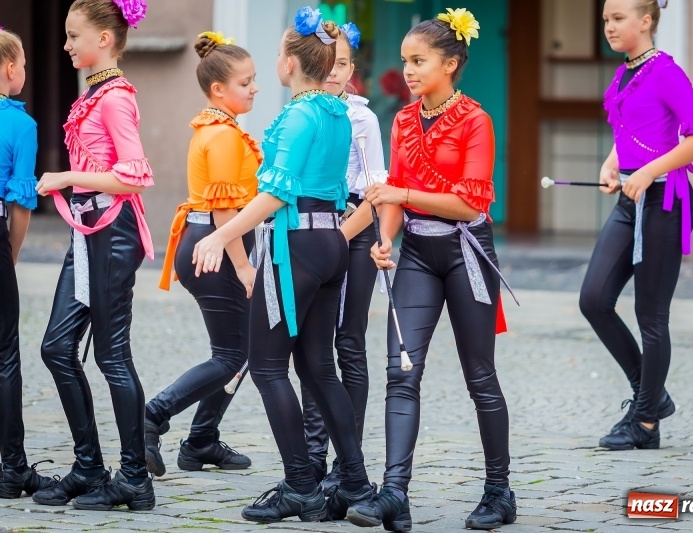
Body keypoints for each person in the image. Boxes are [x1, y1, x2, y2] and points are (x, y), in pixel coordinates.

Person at [191, 6, 373, 524]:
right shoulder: (337, 112)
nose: (275, 61)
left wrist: (222, 234)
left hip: (294, 244)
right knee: (319, 367)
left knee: (269, 366)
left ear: (290, 63)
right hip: (331, 242)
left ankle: (301, 486)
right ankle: (354, 482)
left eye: (277, 53)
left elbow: (276, 193)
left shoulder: (299, 115)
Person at [346, 8, 518, 531]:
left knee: (480, 376)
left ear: (450, 63)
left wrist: (399, 194)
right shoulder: (402, 120)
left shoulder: (476, 121)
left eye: (419, 61)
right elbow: (394, 197)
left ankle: (499, 492)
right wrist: (385, 237)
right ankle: (394, 493)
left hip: (466, 253)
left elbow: (469, 204)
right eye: (406, 61)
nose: (409, 70)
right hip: (418, 253)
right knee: (401, 372)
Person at [32, 0, 156, 511]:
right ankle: (88, 467)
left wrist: (66, 176)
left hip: (113, 232)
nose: (65, 45)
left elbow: (136, 174)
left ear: (104, 39)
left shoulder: (115, 98)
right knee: (57, 348)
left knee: (111, 355)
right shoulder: (95, 92)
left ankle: (134, 478)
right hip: (88, 230)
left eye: (73, 35)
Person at [580, 0, 693, 451]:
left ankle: (644, 423)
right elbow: (631, 131)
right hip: (630, 199)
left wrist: (647, 171)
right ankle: (652, 395)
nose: (609, 27)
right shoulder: (626, 72)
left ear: (646, 21)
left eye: (618, 18)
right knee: (594, 299)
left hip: (665, 201)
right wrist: (612, 164)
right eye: (606, 19)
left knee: (651, 317)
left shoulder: (666, 72)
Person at [147, 31, 259, 478]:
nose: (254, 89)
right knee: (232, 355)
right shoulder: (224, 136)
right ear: (218, 89)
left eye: (253, 80)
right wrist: (244, 266)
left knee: (239, 352)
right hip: (218, 248)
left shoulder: (215, 128)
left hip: (208, 242)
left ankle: (202, 440)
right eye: (245, 83)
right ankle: (152, 416)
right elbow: (224, 209)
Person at [300, 20, 388, 490]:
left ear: (352, 70)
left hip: (353, 231)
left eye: (343, 64)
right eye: (328, 63)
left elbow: (375, 193)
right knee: (312, 344)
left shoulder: (362, 119)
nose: (334, 72)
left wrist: (338, 236)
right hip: (313, 230)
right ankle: (313, 454)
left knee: (348, 341)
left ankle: (346, 461)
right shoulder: (303, 112)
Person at [0, 11, 57, 500]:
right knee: (2, 352)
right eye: (26, 65)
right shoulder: (21, 123)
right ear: (11, 68)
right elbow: (21, 202)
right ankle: (13, 468)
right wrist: (9, 255)